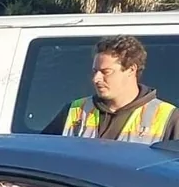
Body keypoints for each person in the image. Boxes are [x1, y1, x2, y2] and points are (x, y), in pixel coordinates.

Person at [44, 35, 177, 142]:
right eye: (95, 71)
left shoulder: (170, 118)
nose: (96, 79)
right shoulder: (74, 111)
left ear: (131, 70)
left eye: (106, 72)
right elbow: (42, 154)